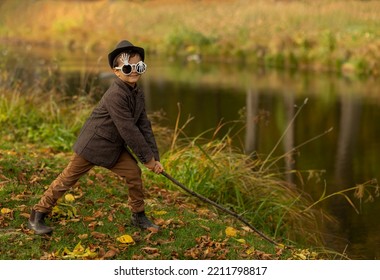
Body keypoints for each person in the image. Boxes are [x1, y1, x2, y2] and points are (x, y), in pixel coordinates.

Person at [28, 40, 164, 235]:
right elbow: (128, 130)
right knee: (67, 179)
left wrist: (154, 157)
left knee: (133, 173)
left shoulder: (137, 93)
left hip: (114, 148)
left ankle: (138, 215)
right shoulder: (115, 94)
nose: (133, 71)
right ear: (116, 71)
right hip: (93, 145)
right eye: (127, 67)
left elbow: (144, 126)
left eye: (138, 66)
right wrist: (148, 160)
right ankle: (37, 214)